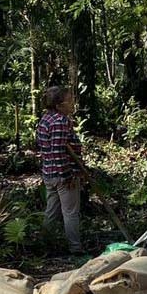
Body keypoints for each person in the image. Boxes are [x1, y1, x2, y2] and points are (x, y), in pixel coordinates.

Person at [36, 86, 85, 254]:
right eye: (69, 101)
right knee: (70, 212)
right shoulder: (60, 121)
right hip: (61, 175)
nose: (72, 104)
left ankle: (44, 243)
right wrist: (67, 175)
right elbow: (57, 151)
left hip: (49, 174)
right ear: (58, 105)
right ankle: (75, 248)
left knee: (51, 211)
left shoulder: (45, 119)